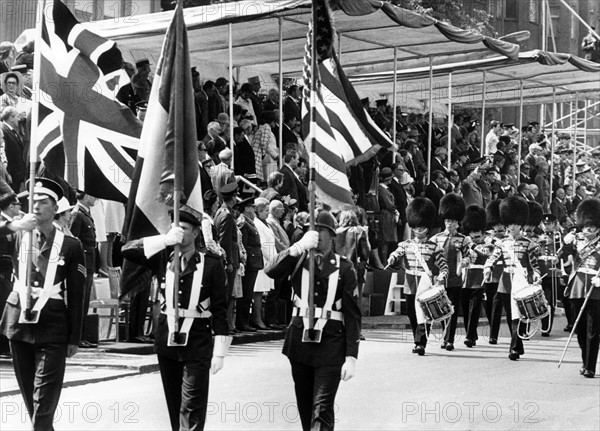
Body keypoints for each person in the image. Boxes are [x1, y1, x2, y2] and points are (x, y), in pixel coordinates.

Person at [121, 205, 232, 428]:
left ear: (196, 233)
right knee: (174, 407)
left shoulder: (210, 264)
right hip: (166, 342)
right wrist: (164, 239)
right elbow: (126, 250)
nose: (179, 232)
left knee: (191, 408)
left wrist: (220, 352)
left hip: (198, 341)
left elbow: (221, 309)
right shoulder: (163, 256)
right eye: (175, 228)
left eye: (183, 228)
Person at [0, 178, 85, 430]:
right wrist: (14, 225)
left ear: (54, 207)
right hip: (18, 324)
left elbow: (78, 294)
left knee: (44, 403)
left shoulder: (71, 245)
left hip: (53, 327)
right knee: (32, 404)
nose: (35, 207)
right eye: (33, 202)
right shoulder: (18, 235)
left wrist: (74, 338)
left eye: (42, 202)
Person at [265, 210, 361, 430]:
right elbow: (270, 270)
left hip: (331, 344)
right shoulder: (298, 259)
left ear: (332, 235)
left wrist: (351, 356)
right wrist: (297, 247)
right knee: (306, 409)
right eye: (312, 229)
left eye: (321, 230)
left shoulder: (344, 267)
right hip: (300, 344)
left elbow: (353, 314)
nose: (316, 235)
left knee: (322, 408)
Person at [387, 197, 448, 356]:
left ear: (427, 229)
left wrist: (441, 277)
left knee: (423, 313)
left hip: (425, 282)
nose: (417, 231)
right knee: (411, 313)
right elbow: (397, 253)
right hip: (409, 282)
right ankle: (418, 338)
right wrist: (392, 257)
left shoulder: (434, 247)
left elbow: (443, 266)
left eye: (420, 228)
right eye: (415, 228)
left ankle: (420, 343)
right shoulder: (406, 244)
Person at [484, 196, 542, 361]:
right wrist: (487, 268)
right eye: (509, 224)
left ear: (521, 225)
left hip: (521, 281)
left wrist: (536, 275)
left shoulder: (528, 244)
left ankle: (514, 347)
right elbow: (492, 259)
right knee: (510, 316)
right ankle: (518, 344)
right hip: (505, 282)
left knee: (520, 315)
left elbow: (533, 265)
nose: (511, 227)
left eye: (515, 224)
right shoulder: (501, 244)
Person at [560, 198, 600, 378]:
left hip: (595, 288)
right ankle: (585, 360)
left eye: (591, 227)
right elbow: (562, 255)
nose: (587, 230)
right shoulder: (577, 239)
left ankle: (591, 366)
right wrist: (566, 242)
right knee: (580, 327)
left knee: (593, 329)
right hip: (577, 286)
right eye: (585, 227)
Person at [431, 193, 470, 351]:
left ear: (457, 222)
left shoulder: (463, 239)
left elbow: (467, 256)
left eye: (453, 221)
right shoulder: (436, 238)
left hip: (456, 278)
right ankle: (445, 335)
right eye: (448, 221)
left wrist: (466, 261)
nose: (450, 224)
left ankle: (449, 339)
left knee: (452, 310)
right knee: (442, 310)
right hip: (441, 279)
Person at [69, 189, 97, 348]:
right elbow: (74, 241)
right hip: (82, 264)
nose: (96, 198)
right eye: (93, 194)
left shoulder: (85, 213)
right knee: (80, 301)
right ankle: (77, 337)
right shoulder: (77, 214)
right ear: (85, 196)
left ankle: (82, 336)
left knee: (85, 302)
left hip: (89, 263)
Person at [460, 205, 488, 347]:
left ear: (483, 235)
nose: (475, 239)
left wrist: (472, 246)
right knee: (465, 309)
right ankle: (471, 333)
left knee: (475, 309)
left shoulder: (488, 244)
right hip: (466, 280)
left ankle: (470, 336)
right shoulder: (465, 244)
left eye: (478, 236)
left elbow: (485, 253)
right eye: (472, 236)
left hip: (480, 279)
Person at [214, 181, 240, 333]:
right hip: (229, 259)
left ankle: (227, 324)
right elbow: (225, 240)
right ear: (234, 197)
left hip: (228, 257)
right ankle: (224, 324)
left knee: (227, 294)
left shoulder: (220, 212)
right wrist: (228, 261)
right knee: (227, 295)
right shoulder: (227, 215)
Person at [237, 196, 262, 332]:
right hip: (249, 262)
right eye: (252, 207)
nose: (254, 209)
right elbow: (243, 244)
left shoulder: (249, 221)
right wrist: (244, 261)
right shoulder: (243, 222)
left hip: (254, 261)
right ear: (246, 208)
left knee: (249, 293)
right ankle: (242, 322)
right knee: (246, 294)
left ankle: (245, 321)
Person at [0, 192, 21, 355]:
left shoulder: (13, 223)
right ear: (11, 206)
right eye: (18, 204)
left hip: (8, 274)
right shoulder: (2, 224)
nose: (20, 208)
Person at [537, 213, 562, 336]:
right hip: (541, 272)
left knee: (551, 302)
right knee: (541, 300)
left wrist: (558, 256)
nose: (546, 226)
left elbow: (562, 249)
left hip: (552, 273)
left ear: (554, 224)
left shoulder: (557, 236)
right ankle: (544, 324)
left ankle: (547, 327)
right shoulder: (537, 236)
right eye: (544, 223)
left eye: (549, 224)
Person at [252, 197, 275, 329]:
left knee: (264, 292)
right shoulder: (257, 224)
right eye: (266, 210)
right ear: (259, 211)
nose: (268, 213)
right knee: (258, 292)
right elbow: (264, 246)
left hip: (269, 260)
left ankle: (262, 318)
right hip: (263, 261)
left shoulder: (265, 223)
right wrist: (274, 260)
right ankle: (257, 319)